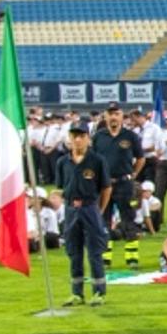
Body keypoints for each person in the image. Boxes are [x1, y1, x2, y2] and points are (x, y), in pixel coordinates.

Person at [56, 126, 111, 306]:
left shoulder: (97, 160)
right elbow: (59, 188)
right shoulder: (63, 162)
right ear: (69, 139)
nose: (78, 140)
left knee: (95, 251)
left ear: (88, 138)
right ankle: (77, 293)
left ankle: (99, 292)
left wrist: (99, 210)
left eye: (81, 136)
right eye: (74, 136)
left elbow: (106, 188)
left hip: (89, 207)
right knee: (74, 251)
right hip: (71, 208)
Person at [92, 102, 144, 268]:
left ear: (122, 116)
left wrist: (133, 174)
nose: (113, 117)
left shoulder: (130, 136)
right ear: (105, 116)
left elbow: (141, 158)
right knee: (103, 220)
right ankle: (105, 258)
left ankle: (132, 258)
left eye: (117, 114)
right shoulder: (98, 136)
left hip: (124, 183)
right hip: (105, 185)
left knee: (129, 219)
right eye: (110, 114)